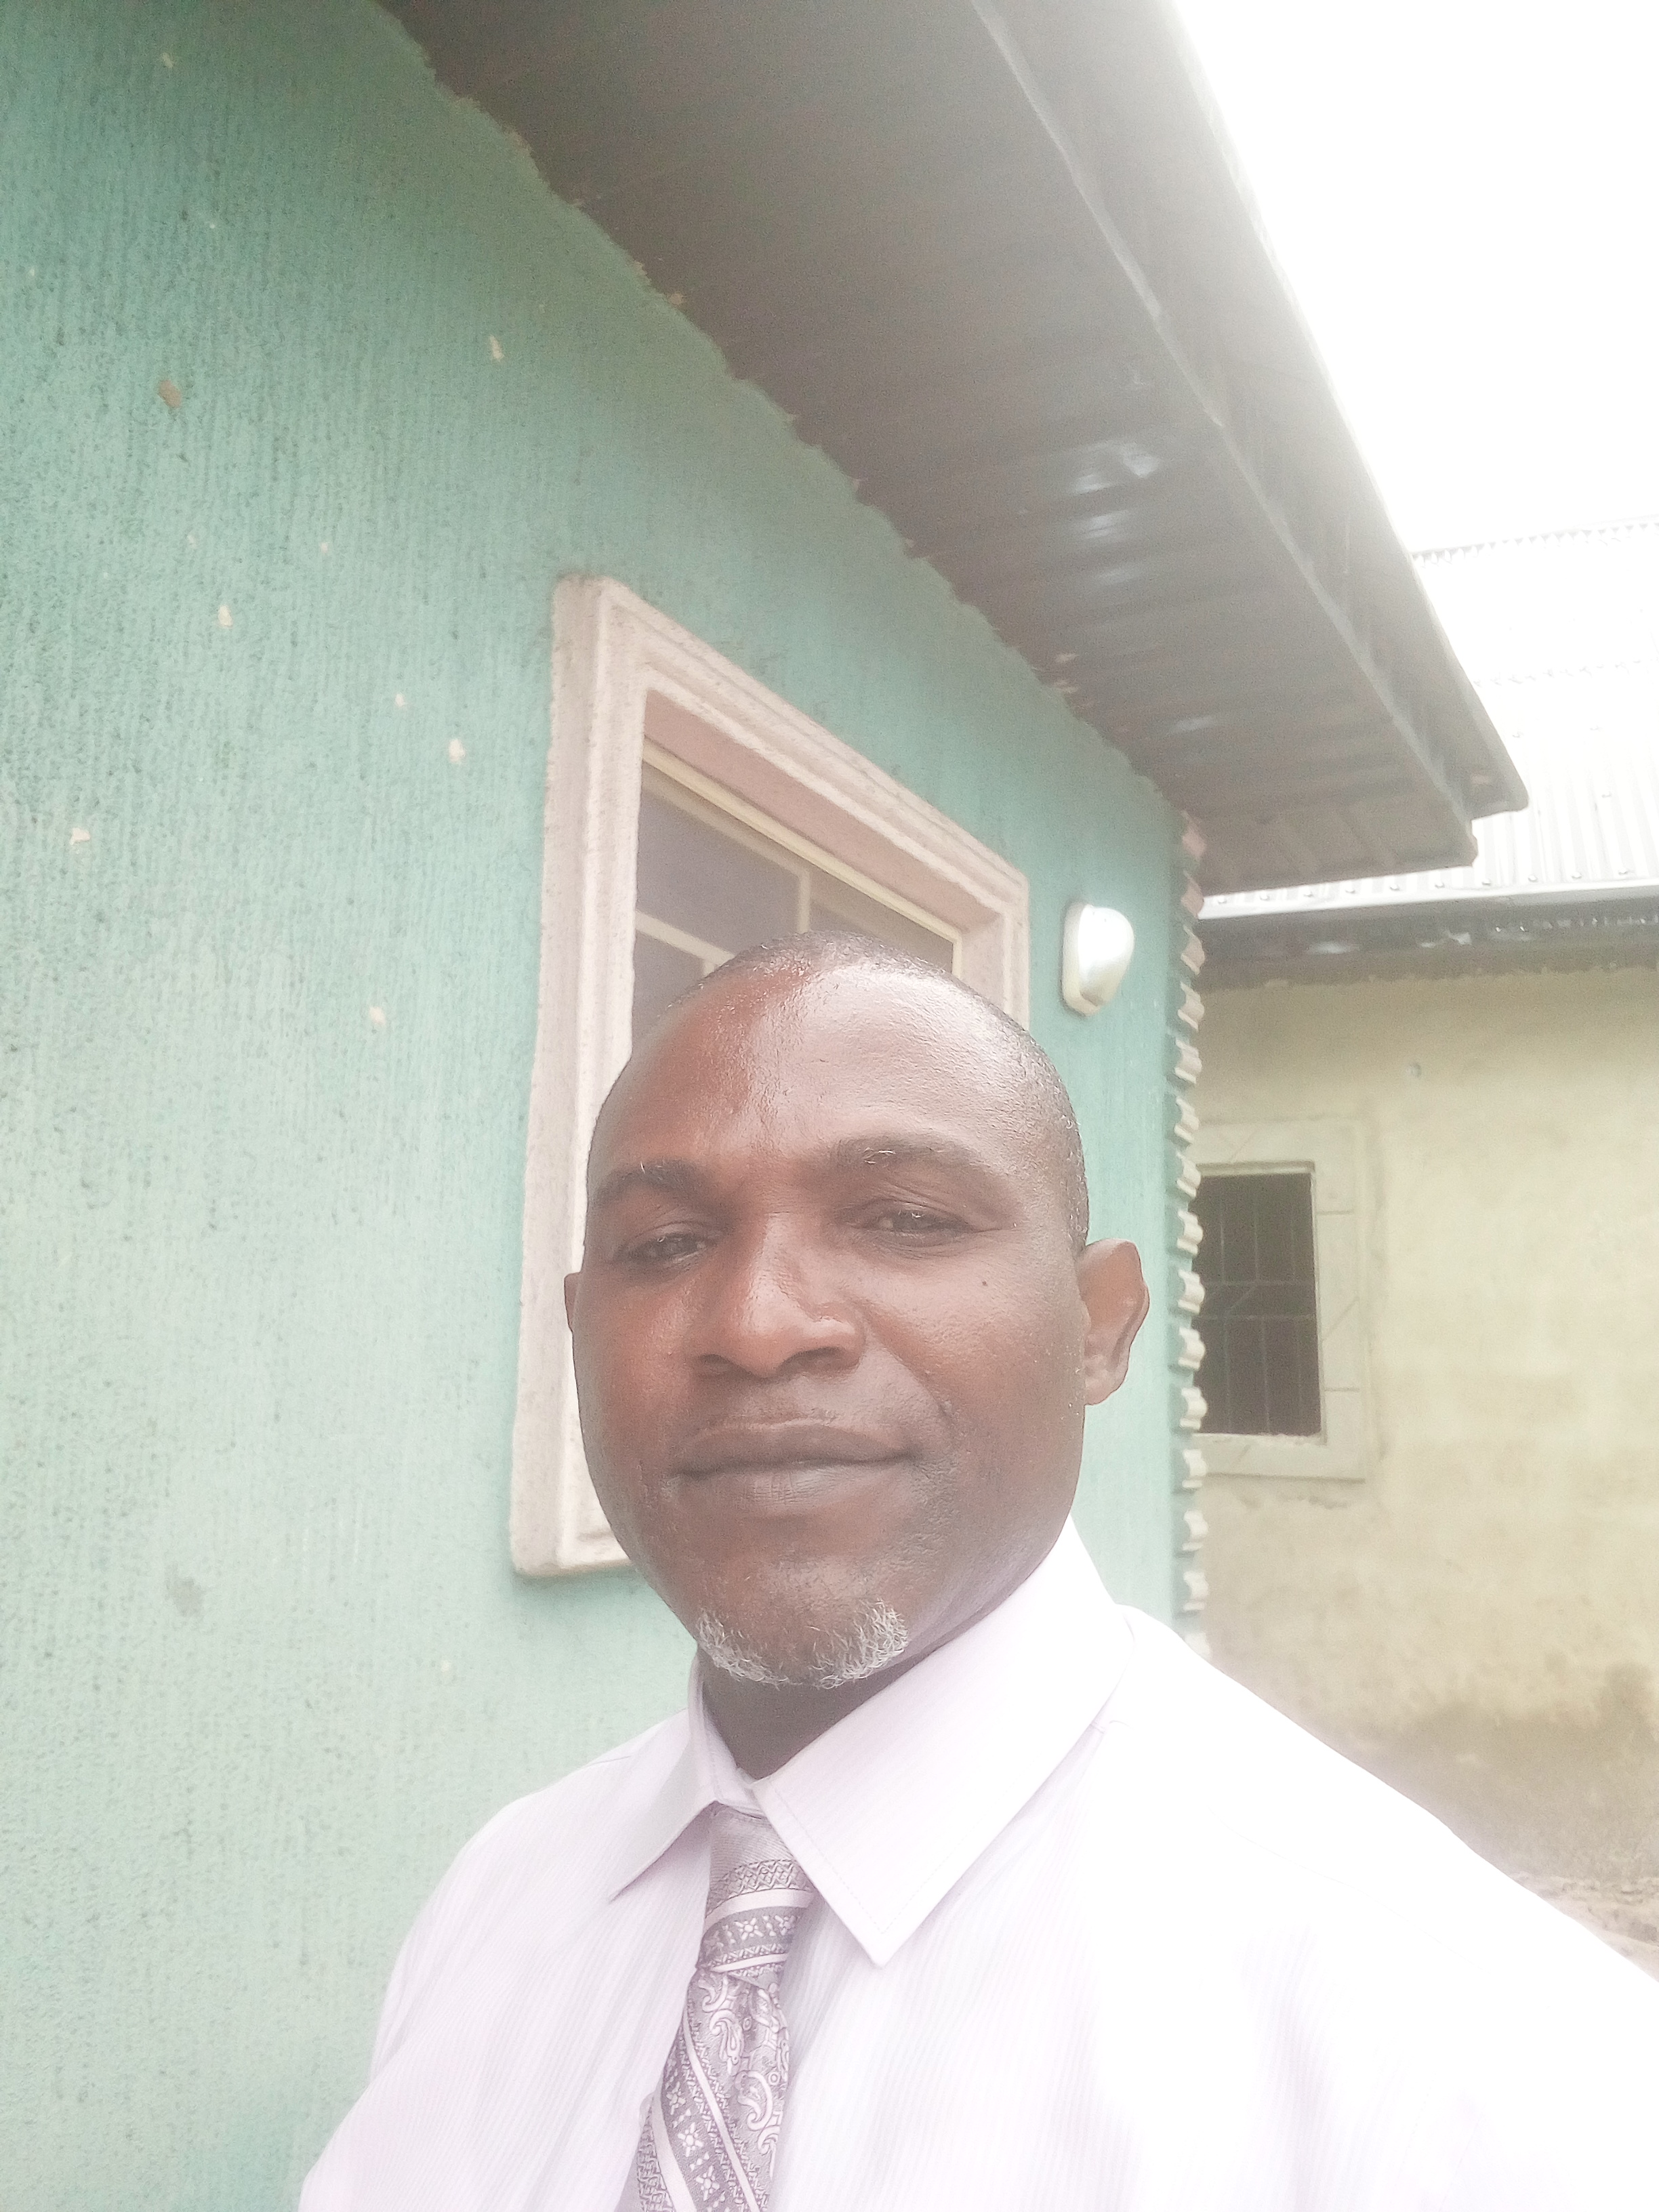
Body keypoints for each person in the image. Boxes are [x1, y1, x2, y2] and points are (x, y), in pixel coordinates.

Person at [302, 935, 1659, 2211]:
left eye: (902, 1218)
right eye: (665, 1246)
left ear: (1100, 1327)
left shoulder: (1481, 2061)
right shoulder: (500, 1899)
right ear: (577, 1330)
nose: (759, 1324)